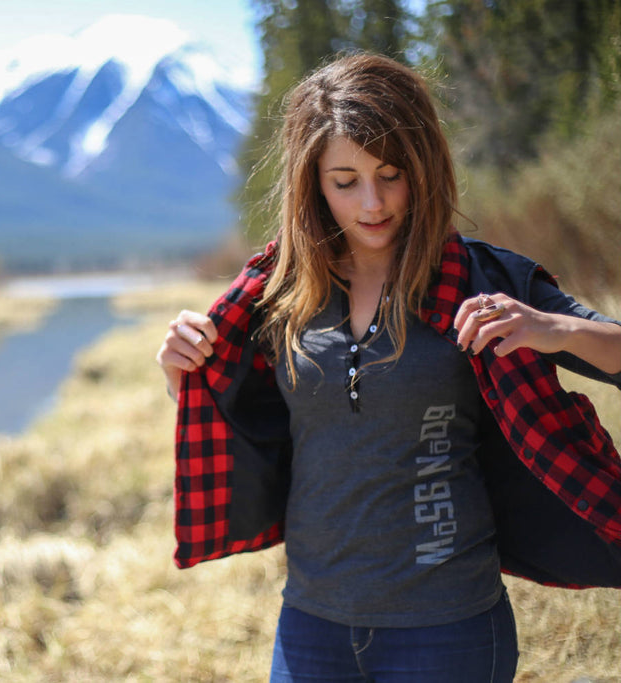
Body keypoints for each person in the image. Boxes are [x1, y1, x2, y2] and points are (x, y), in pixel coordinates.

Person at [155, 52, 621, 683]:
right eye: (345, 181)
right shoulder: (277, 293)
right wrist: (181, 370)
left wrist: (551, 327)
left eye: (391, 174)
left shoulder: (486, 282)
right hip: (310, 626)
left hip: (449, 629)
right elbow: (239, 413)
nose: (371, 203)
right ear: (312, 183)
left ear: (423, 169)